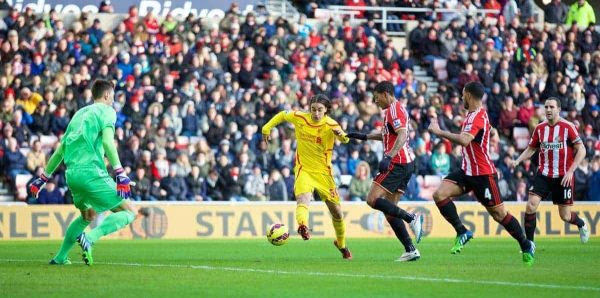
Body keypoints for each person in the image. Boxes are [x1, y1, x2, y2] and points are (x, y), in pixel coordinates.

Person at [29, 80, 140, 266]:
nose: (113, 100)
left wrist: (42, 179)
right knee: (130, 212)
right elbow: (107, 142)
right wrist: (120, 172)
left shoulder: (79, 114)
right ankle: (90, 238)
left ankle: (60, 257)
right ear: (106, 95)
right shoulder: (107, 111)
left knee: (87, 215)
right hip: (92, 173)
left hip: (72, 175)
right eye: (112, 95)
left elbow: (60, 149)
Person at [428, 81, 535, 265]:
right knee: (439, 194)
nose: (461, 97)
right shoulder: (473, 115)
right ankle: (462, 231)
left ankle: (526, 244)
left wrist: (439, 132)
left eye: (463, 94)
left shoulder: (477, 117)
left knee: (499, 214)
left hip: (483, 175)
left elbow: (464, 140)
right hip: (467, 170)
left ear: (469, 95)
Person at [261, 94, 353, 259]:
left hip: (324, 173)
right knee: (303, 200)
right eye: (313, 109)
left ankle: (341, 243)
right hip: (304, 170)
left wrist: (340, 134)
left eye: (320, 110)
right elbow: (282, 115)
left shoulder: (331, 124)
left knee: (337, 213)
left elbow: (344, 139)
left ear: (326, 110)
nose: (316, 113)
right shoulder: (300, 118)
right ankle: (303, 226)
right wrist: (266, 128)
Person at [346, 81, 424, 262]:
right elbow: (388, 135)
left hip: (397, 163)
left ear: (386, 94)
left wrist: (388, 156)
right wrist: (364, 136)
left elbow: (403, 134)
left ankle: (411, 217)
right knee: (390, 211)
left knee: (372, 199)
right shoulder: (393, 111)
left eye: (376, 96)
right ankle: (410, 249)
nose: (375, 101)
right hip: (406, 163)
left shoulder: (395, 110)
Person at [510, 97, 590, 244]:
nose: (548, 110)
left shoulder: (568, 127)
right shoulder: (540, 128)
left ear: (558, 109)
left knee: (565, 216)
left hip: (564, 176)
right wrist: (518, 160)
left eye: (551, 107)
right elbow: (531, 149)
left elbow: (582, 150)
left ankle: (581, 223)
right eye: (546, 107)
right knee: (530, 205)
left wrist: (571, 171)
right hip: (544, 174)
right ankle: (530, 245)